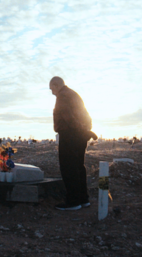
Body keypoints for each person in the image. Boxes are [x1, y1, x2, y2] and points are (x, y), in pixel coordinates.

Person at [49, 76, 97, 211]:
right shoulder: (75, 95)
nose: (52, 92)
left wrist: (80, 131)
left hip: (70, 135)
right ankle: (83, 199)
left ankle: (73, 202)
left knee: (68, 168)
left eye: (51, 88)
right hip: (79, 135)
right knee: (78, 167)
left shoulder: (62, 96)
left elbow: (67, 117)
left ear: (56, 85)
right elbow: (86, 115)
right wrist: (86, 130)